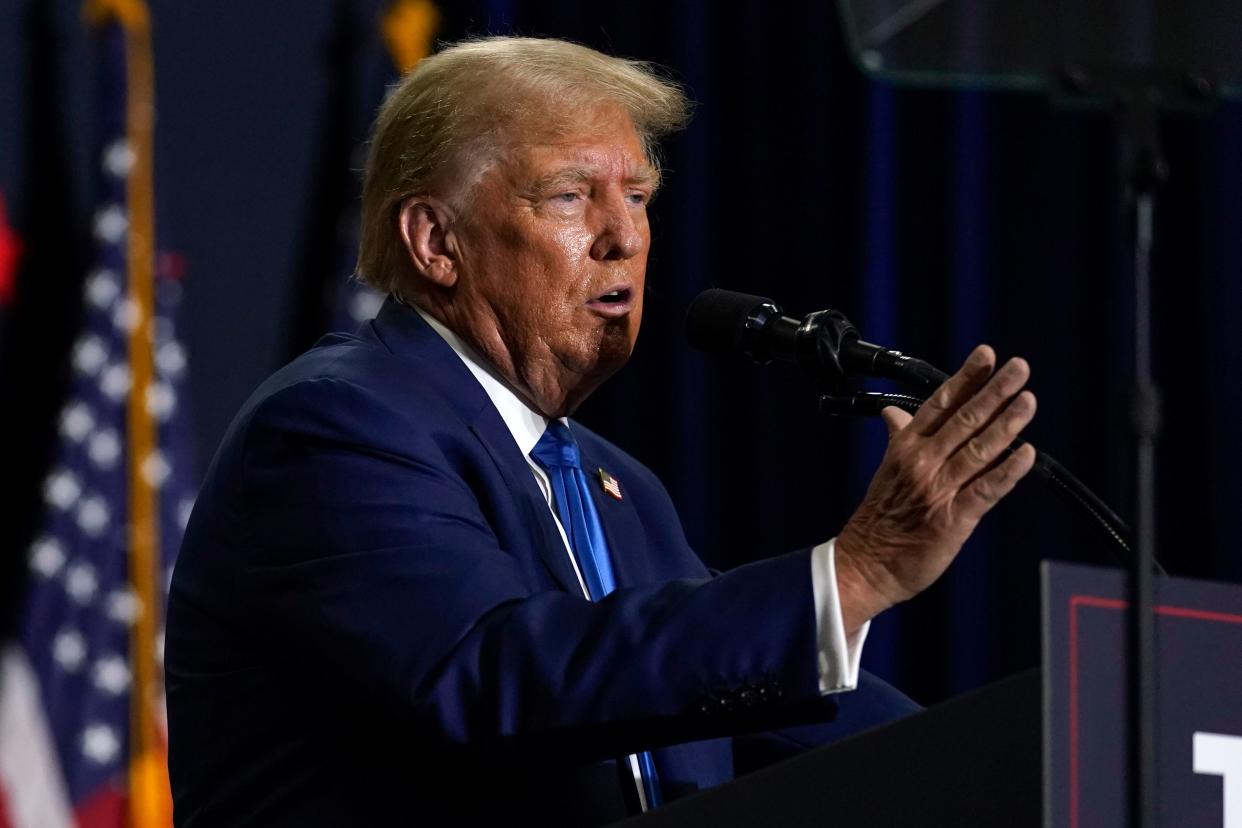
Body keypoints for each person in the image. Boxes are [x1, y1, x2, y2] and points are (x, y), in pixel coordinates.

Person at [165, 36, 1037, 826]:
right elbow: (491, 674)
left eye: (639, 196)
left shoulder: (617, 490)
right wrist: (854, 573)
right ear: (436, 241)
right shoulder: (336, 429)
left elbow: (769, 712)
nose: (624, 237)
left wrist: (1052, 764)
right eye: (571, 196)